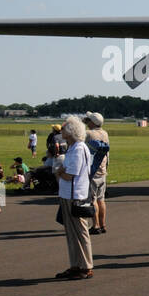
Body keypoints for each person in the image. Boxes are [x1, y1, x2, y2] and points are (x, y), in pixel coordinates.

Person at [54, 115, 94, 279]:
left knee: (80, 231)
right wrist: (61, 171)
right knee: (71, 233)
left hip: (74, 196)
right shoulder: (71, 148)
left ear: (71, 131)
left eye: (64, 128)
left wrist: (60, 171)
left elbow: (70, 174)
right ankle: (75, 265)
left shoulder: (78, 148)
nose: (61, 131)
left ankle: (86, 266)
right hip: (66, 194)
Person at [83, 112, 110, 235]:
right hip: (103, 170)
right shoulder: (104, 133)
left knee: (92, 199)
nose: (87, 122)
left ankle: (96, 225)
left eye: (89, 120)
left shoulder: (88, 134)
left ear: (93, 122)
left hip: (92, 171)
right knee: (101, 199)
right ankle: (103, 224)